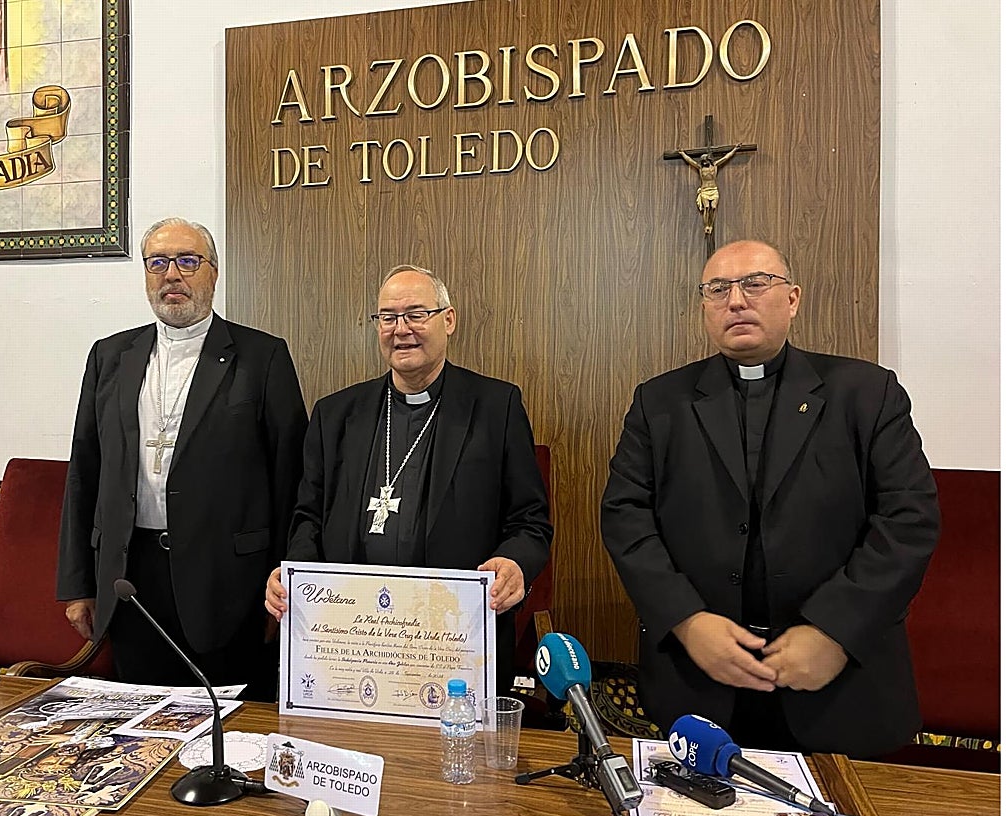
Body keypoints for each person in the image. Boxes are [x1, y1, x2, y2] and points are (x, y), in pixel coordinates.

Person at [600, 240, 939, 758]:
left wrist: (834, 631)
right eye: (718, 289)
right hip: (703, 679)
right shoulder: (659, 401)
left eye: (755, 283)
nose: (736, 300)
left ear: (793, 298)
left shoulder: (867, 393)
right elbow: (626, 518)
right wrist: (687, 619)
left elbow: (908, 521)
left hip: (839, 683)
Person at [263, 265, 552, 689]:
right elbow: (307, 518)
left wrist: (514, 564)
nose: (401, 329)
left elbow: (530, 521)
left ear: (448, 319)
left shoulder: (496, 407)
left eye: (416, 314)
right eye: (388, 317)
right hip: (351, 643)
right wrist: (295, 579)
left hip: (450, 642)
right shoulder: (335, 415)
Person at [57, 217, 307, 698]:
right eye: (158, 263)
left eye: (188, 261)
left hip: (229, 584)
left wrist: (287, 584)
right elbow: (84, 470)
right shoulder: (110, 356)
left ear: (213, 273)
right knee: (141, 727)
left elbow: (290, 481)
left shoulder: (262, 357)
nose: (172, 274)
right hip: (131, 579)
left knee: (231, 729)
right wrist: (76, 583)